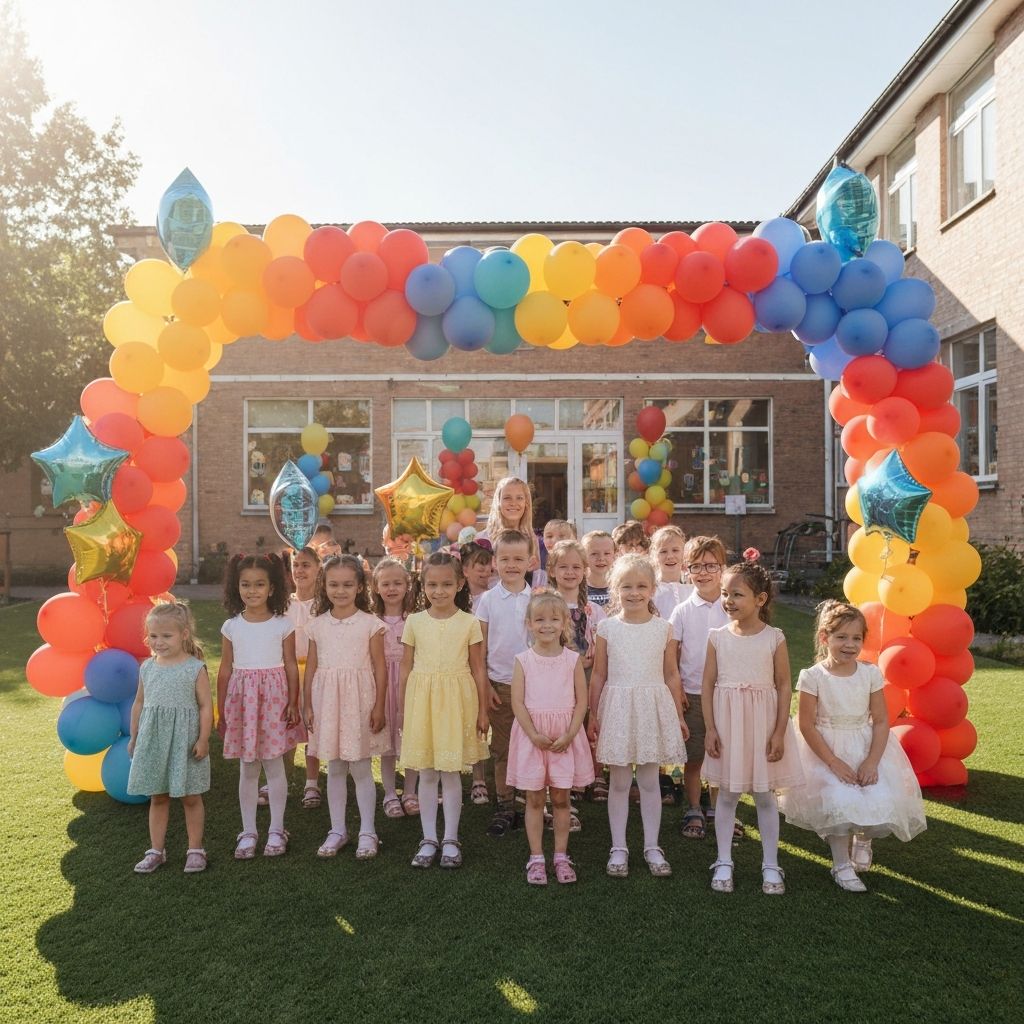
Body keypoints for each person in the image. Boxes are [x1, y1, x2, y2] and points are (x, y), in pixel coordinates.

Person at [779, 600, 926, 892]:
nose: (850, 644)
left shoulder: (870, 674)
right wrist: (833, 761)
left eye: (856, 638)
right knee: (838, 801)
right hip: (825, 750)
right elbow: (806, 724)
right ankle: (841, 865)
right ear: (825, 638)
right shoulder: (813, 676)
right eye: (842, 637)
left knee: (877, 796)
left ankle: (863, 839)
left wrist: (871, 761)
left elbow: (881, 721)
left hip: (864, 744)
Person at [701, 562, 804, 894]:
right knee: (727, 794)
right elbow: (707, 685)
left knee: (764, 795)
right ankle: (724, 860)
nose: (728, 600)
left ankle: (771, 864)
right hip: (728, 723)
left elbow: (785, 684)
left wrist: (778, 732)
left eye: (737, 594)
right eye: (725, 593)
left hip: (762, 723)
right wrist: (711, 729)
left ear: (760, 599)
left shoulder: (774, 638)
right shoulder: (717, 637)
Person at [587, 554, 687, 878]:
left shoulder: (664, 629)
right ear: (616, 589)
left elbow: (671, 674)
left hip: (651, 707)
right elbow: (598, 675)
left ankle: (652, 846)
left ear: (653, 588)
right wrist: (593, 714)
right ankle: (618, 847)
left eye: (641, 586)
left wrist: (678, 716)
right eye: (626, 586)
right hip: (616, 707)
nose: (634, 593)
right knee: (617, 781)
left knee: (648, 780)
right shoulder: (606, 628)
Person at [399, 553, 490, 869]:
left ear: (460, 584)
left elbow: (478, 668)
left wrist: (482, 711)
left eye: (446, 584)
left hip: (456, 702)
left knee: (450, 773)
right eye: (432, 584)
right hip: (422, 702)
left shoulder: (469, 623)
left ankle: (450, 838)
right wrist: (403, 709)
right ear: (423, 585)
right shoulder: (414, 621)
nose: (439, 591)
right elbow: (406, 667)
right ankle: (428, 838)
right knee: (426, 772)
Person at [217, 553, 306, 859]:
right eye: (245, 585)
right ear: (236, 587)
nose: (252, 590)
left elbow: (291, 665)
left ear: (272, 588)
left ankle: (277, 829)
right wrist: (222, 710)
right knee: (248, 766)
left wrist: (294, 701)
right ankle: (249, 831)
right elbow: (225, 669)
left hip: (275, 700)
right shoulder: (231, 626)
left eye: (259, 584)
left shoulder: (283, 624)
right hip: (243, 702)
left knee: (274, 764)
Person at [304, 555, 389, 859]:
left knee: (362, 767)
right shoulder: (316, 626)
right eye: (334, 584)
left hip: (359, 702)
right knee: (335, 766)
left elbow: (380, 667)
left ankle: (368, 831)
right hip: (326, 701)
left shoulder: (370, 624)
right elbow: (312, 667)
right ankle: (338, 829)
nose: (340, 591)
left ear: (359, 587)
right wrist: (307, 706)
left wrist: (379, 705)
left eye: (347, 585)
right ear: (323, 586)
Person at [508, 591, 593, 885]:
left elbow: (581, 701)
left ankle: (560, 855)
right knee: (533, 799)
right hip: (534, 737)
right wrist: (533, 734)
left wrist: (570, 734)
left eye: (554, 619)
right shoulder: (523, 660)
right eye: (540, 620)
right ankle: (536, 858)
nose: (547, 625)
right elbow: (517, 702)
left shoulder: (572, 660)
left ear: (564, 623)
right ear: (529, 623)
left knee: (560, 798)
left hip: (564, 738)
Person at [127, 603, 213, 874]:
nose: (159, 642)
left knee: (190, 797)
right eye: (153, 636)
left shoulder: (195, 668)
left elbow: (205, 707)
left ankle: (196, 849)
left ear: (184, 634)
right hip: (154, 740)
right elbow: (139, 703)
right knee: (158, 797)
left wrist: (203, 739)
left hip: (185, 742)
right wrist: (134, 736)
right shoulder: (147, 668)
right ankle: (156, 850)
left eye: (166, 636)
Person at [668, 536, 729, 841]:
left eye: (711, 566)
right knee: (694, 756)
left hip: (726, 695)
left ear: (723, 568)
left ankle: (719, 809)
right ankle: (693, 807)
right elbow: (672, 657)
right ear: (686, 570)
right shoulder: (681, 611)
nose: (703, 573)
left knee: (723, 755)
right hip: (691, 693)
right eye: (696, 567)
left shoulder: (732, 607)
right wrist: (677, 691)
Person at [474, 529, 533, 837]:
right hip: (499, 686)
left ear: (530, 561)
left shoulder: (537, 598)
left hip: (532, 689)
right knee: (503, 748)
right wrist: (484, 686)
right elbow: (479, 647)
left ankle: (529, 802)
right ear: (495, 562)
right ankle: (505, 804)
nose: (512, 565)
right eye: (505, 559)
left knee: (532, 746)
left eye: (518, 559)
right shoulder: (486, 601)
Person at [547, 538, 606, 822]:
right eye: (563, 566)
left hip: (585, 679)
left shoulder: (595, 611)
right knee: (558, 733)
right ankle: (557, 794)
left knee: (579, 733)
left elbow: (601, 650)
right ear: (552, 570)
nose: (569, 572)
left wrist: (590, 662)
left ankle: (576, 783)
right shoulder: (544, 605)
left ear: (584, 569)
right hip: (553, 683)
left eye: (575, 566)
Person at [371, 557, 418, 818]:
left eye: (397, 583)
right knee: (386, 740)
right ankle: (390, 793)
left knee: (411, 738)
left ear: (407, 585)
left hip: (409, 682)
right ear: (376, 587)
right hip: (382, 685)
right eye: (386, 583)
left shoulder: (414, 619)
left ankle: (410, 791)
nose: (392, 588)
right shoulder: (372, 620)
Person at [287, 545, 322, 810]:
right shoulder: (284, 604)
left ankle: (312, 781)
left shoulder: (323, 604)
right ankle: (282, 778)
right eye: (296, 564)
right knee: (286, 723)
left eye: (306, 565)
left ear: (318, 568)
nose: (300, 570)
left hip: (315, 672)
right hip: (287, 672)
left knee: (313, 726)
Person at [461, 540, 496, 805]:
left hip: (490, 665)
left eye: (488, 567)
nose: (485, 572)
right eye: (479, 567)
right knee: (473, 721)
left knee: (489, 722)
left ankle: (493, 777)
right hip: (463, 666)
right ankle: (477, 778)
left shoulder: (495, 597)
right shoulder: (460, 600)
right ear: (465, 570)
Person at [479, 477, 539, 569]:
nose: (513, 503)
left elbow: (536, 577)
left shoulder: (531, 538)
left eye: (519, 498)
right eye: (507, 498)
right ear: (498, 502)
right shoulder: (483, 539)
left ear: (526, 503)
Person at [650, 525, 693, 620]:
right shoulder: (651, 591)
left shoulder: (692, 589)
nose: (670, 556)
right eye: (663, 551)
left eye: (675, 550)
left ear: (684, 553)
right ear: (655, 556)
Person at [532, 519, 576, 588]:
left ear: (570, 539)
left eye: (561, 536)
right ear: (543, 539)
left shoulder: (574, 560)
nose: (555, 541)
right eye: (549, 536)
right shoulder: (539, 559)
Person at [582, 530, 615, 612]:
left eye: (607, 553)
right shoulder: (577, 587)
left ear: (614, 555)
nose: (601, 558)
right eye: (594, 554)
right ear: (583, 556)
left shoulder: (621, 586)